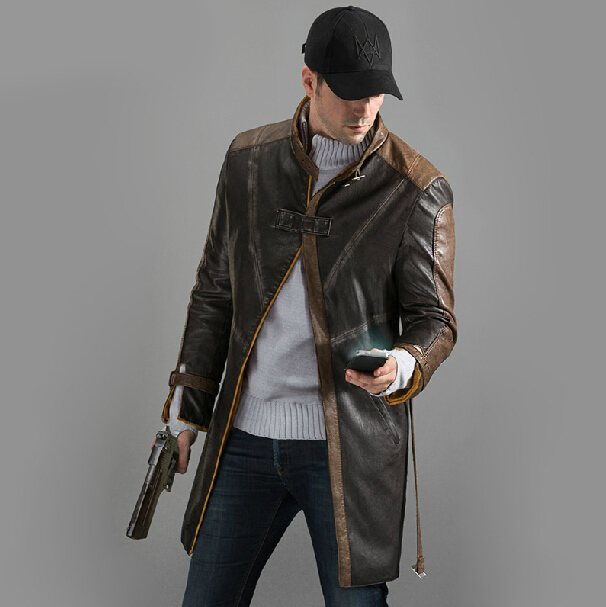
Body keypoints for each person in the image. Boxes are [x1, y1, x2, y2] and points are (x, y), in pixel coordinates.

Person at [161, 6, 456, 606]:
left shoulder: (415, 189)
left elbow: (436, 320)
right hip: (244, 436)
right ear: (308, 81)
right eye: (347, 91)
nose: (364, 107)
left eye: (376, 92)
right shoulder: (248, 163)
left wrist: (402, 364)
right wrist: (187, 412)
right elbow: (215, 291)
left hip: (348, 446)